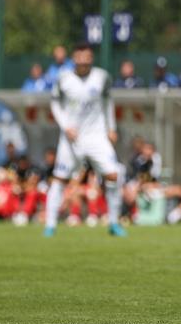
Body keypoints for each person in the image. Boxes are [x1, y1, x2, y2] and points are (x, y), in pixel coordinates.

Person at [44, 42, 125, 237]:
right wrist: (66, 126)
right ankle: (50, 225)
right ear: (74, 58)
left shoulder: (102, 77)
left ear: (91, 58)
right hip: (71, 138)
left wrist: (111, 128)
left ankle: (114, 223)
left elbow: (108, 102)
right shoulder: (63, 78)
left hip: (97, 136)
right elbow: (54, 103)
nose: (83, 60)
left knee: (113, 175)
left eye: (87, 56)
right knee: (60, 179)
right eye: (79, 56)